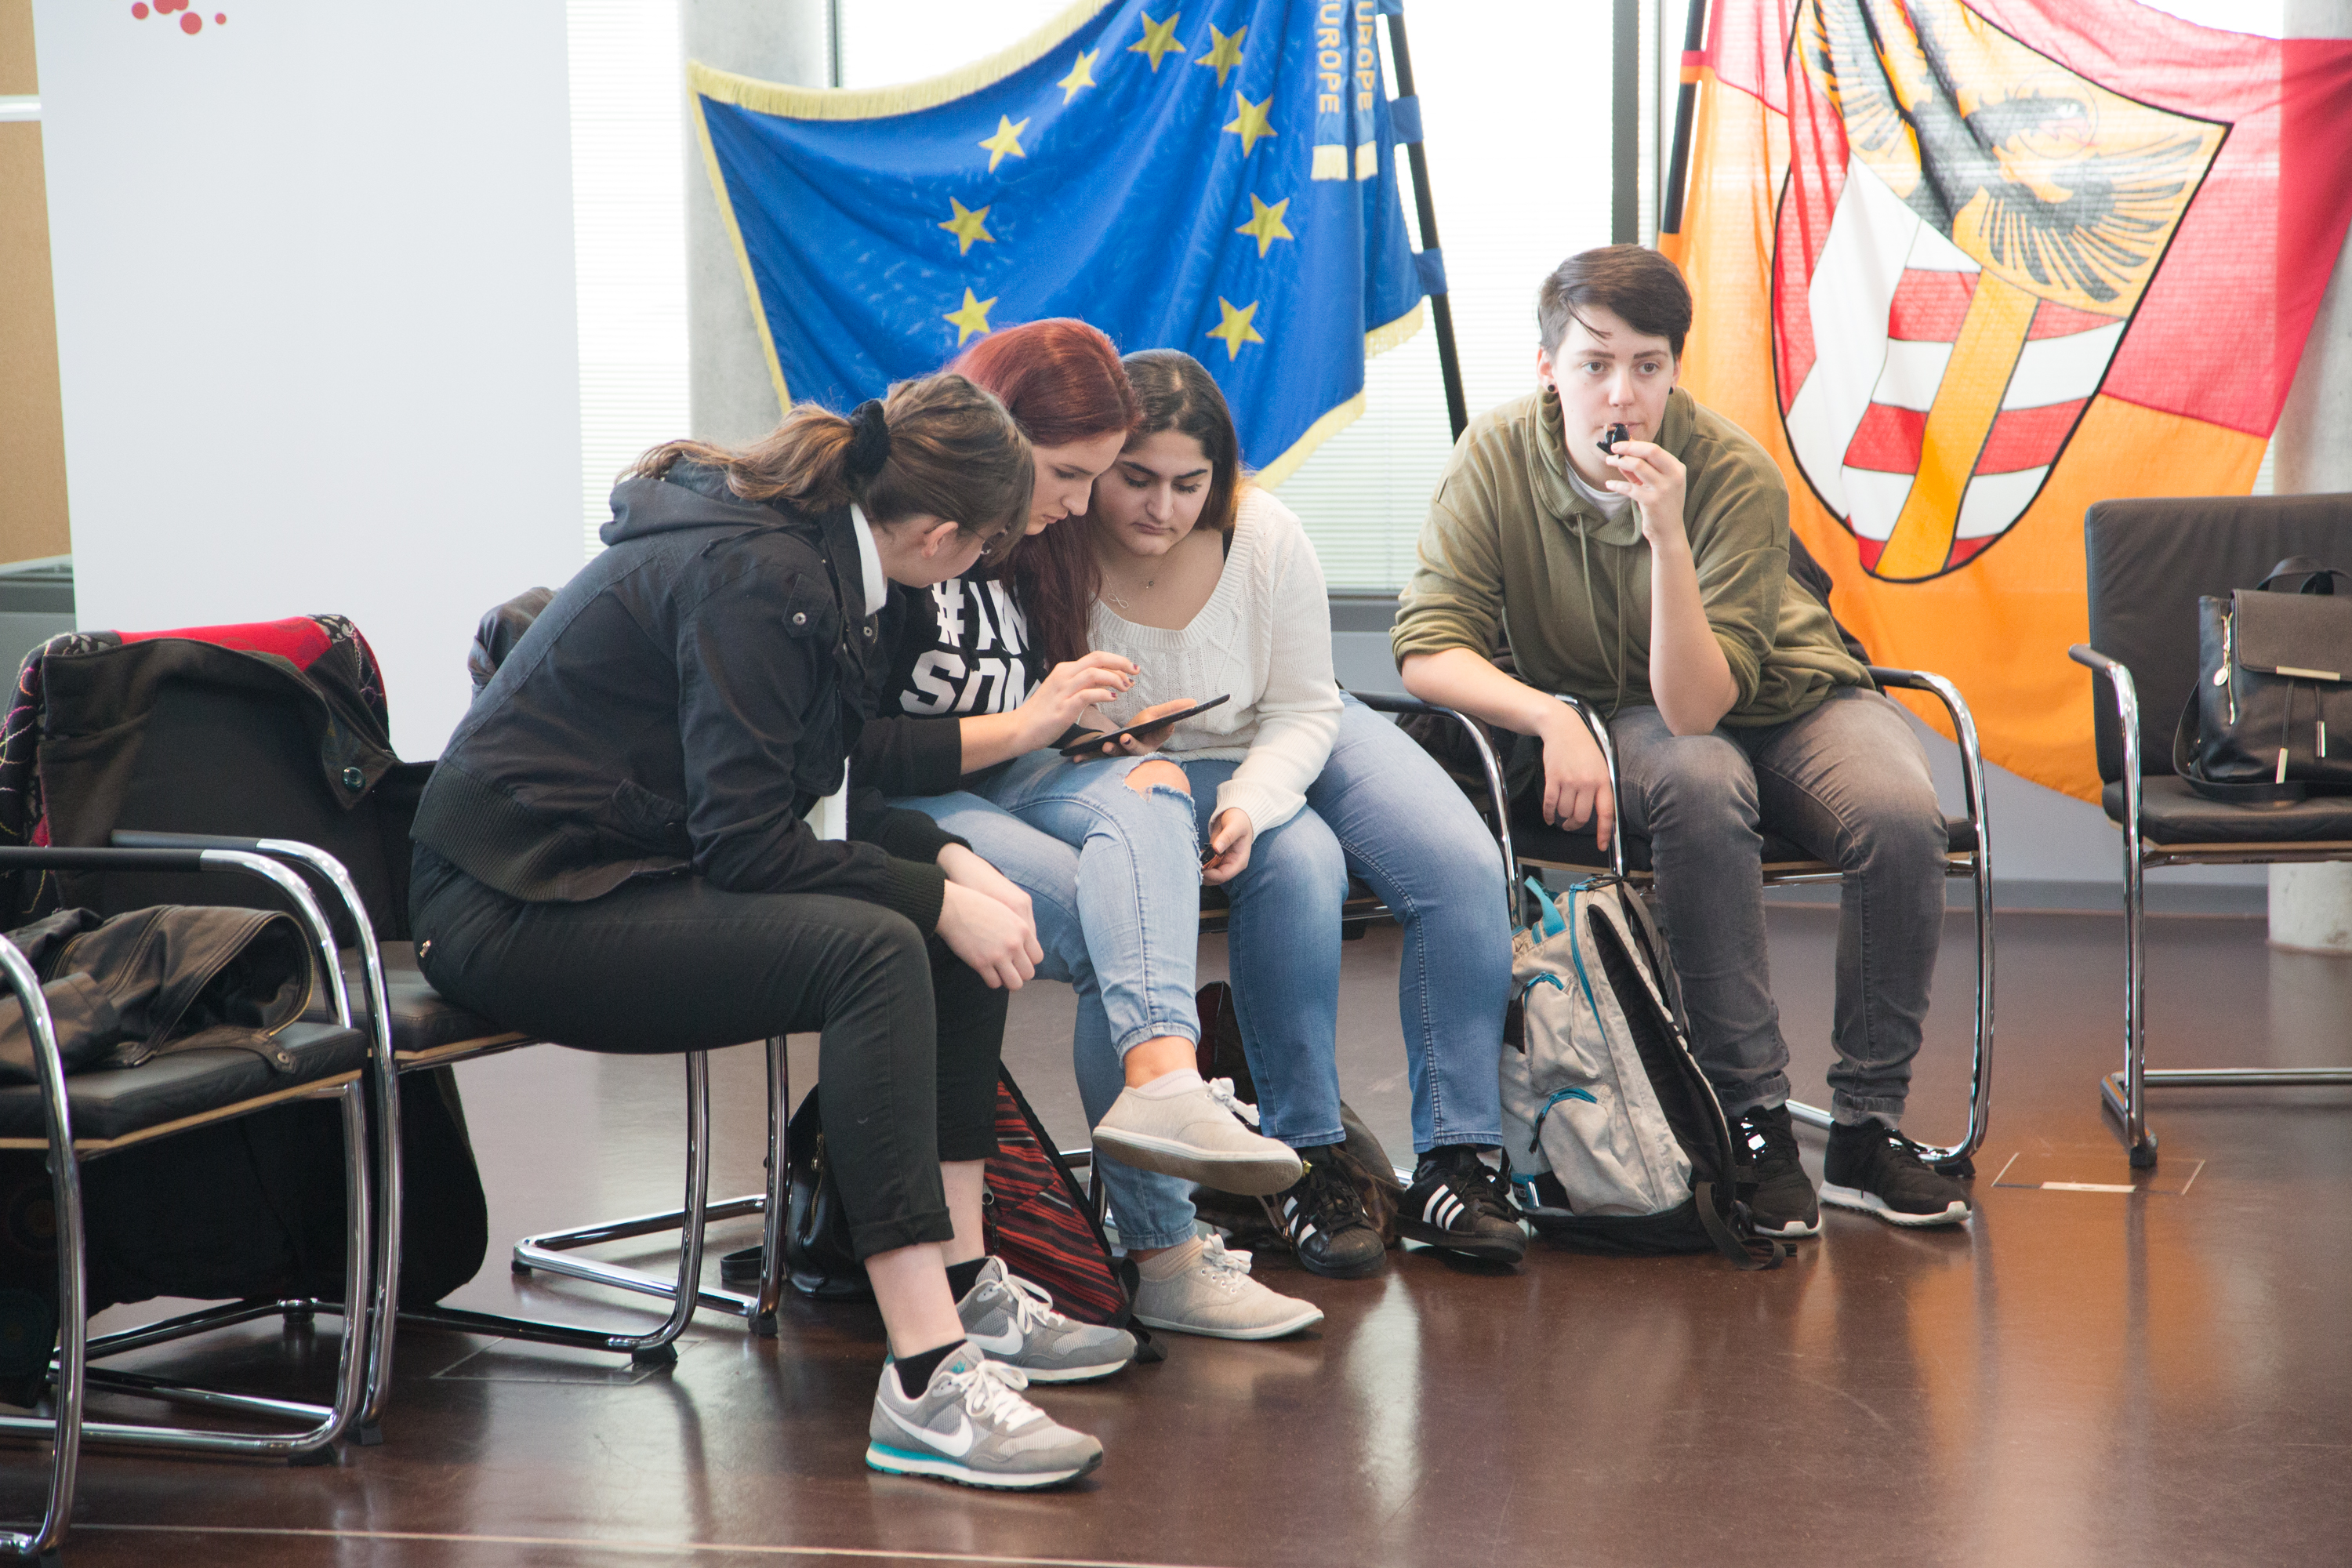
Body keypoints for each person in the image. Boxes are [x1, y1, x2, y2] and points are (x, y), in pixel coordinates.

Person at [408, 373, 1125, 1490]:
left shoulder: (825, 564)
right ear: (938, 533)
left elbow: (819, 781)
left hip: (618, 872)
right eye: (987, 545)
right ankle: (929, 1379)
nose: (991, 562)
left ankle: (968, 1280)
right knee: (881, 942)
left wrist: (947, 866)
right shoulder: (765, 577)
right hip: (512, 907)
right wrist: (929, 893)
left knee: (951, 907)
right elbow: (746, 843)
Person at [1392, 243, 1970, 1232]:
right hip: (1622, 703)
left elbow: (1702, 698)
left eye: (1649, 366)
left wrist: (1667, 534)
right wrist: (1550, 714)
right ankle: (1753, 1123)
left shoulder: (1732, 471)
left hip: (1784, 688)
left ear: (1674, 368)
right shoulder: (1493, 459)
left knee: (1900, 814)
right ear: (1548, 368)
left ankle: (1867, 1132)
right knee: (1702, 786)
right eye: (1596, 364)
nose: (1625, 392)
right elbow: (1427, 647)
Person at [982, 349, 1525, 1280]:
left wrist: (1250, 799)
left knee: (1463, 864)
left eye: (1190, 484)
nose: (1162, 508)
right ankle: (1307, 1156)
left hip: (1284, 721)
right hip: (1136, 764)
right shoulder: (1045, 541)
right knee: (1302, 862)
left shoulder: (1266, 535)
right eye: (1135, 480)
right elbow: (1031, 727)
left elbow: (1308, 706)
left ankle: (1458, 1160)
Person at [855, 319, 1325, 1340]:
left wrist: (1074, 720)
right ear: (996, 437)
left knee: (1153, 789)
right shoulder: (898, 533)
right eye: (1072, 476)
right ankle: (1163, 1251)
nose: (1082, 507)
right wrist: (1029, 721)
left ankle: (1164, 1082)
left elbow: (1042, 710)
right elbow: (848, 758)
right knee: (1129, 927)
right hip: (907, 803)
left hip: (1025, 771)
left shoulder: (1048, 531)